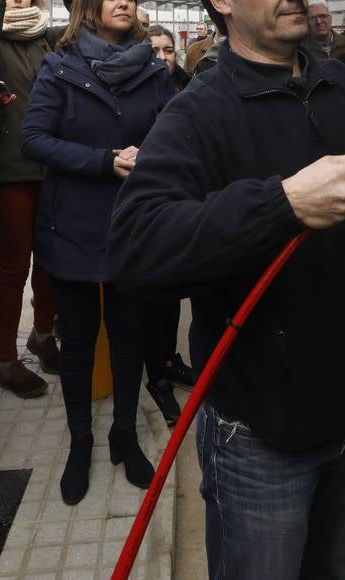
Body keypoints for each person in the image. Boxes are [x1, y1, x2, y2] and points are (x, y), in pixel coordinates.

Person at [110, 0, 345, 580]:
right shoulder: (198, 113)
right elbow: (135, 246)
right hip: (259, 431)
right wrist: (280, 204)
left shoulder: (343, 87)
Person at [20, 0, 172, 505]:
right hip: (75, 226)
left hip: (134, 225)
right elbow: (34, 138)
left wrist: (148, 159)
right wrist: (102, 161)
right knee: (79, 343)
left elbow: (173, 134)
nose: (124, 3)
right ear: (89, 5)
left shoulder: (154, 71)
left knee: (130, 339)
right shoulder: (59, 67)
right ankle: (81, 442)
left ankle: (124, 435)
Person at [0, 0, 77, 399]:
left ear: (37, 1)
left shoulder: (50, 39)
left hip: (52, 165)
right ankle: (9, 360)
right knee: (14, 267)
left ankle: (43, 336)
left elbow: (88, 29)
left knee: (50, 261)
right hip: (9, 170)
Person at [140, 26, 201, 427]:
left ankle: (171, 359)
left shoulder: (190, 91)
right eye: (154, 51)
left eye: (168, 51)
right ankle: (157, 377)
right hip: (154, 208)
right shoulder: (139, 94)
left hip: (186, 202)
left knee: (176, 298)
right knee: (154, 301)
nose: (163, 57)